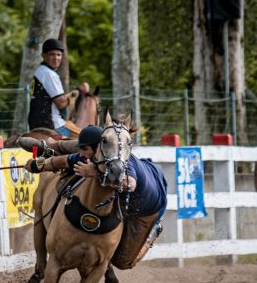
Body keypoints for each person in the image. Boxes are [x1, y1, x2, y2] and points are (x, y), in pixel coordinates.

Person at [25, 125, 167, 270]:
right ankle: (52, 145)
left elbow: (130, 185)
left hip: (148, 205)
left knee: (123, 262)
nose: (80, 153)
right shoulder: (100, 153)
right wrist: (38, 166)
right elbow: (64, 161)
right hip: (129, 190)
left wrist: (96, 174)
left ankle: (154, 230)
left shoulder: (125, 162)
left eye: (84, 149)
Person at [27, 38, 90, 137]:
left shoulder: (40, 71)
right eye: (52, 54)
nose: (56, 58)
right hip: (52, 124)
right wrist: (78, 90)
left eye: (58, 54)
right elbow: (61, 103)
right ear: (44, 56)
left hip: (36, 122)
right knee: (87, 137)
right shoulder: (49, 74)